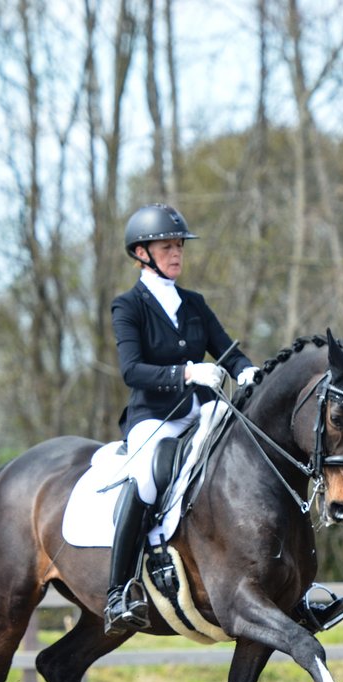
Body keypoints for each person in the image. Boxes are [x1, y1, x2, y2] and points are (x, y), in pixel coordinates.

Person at [103, 203, 259, 636]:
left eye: (179, 247)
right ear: (141, 253)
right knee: (148, 477)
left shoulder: (194, 304)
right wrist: (186, 372)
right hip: (155, 418)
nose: (176, 254)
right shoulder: (128, 306)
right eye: (167, 246)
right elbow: (131, 370)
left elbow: (227, 349)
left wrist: (247, 369)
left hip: (204, 412)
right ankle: (119, 591)